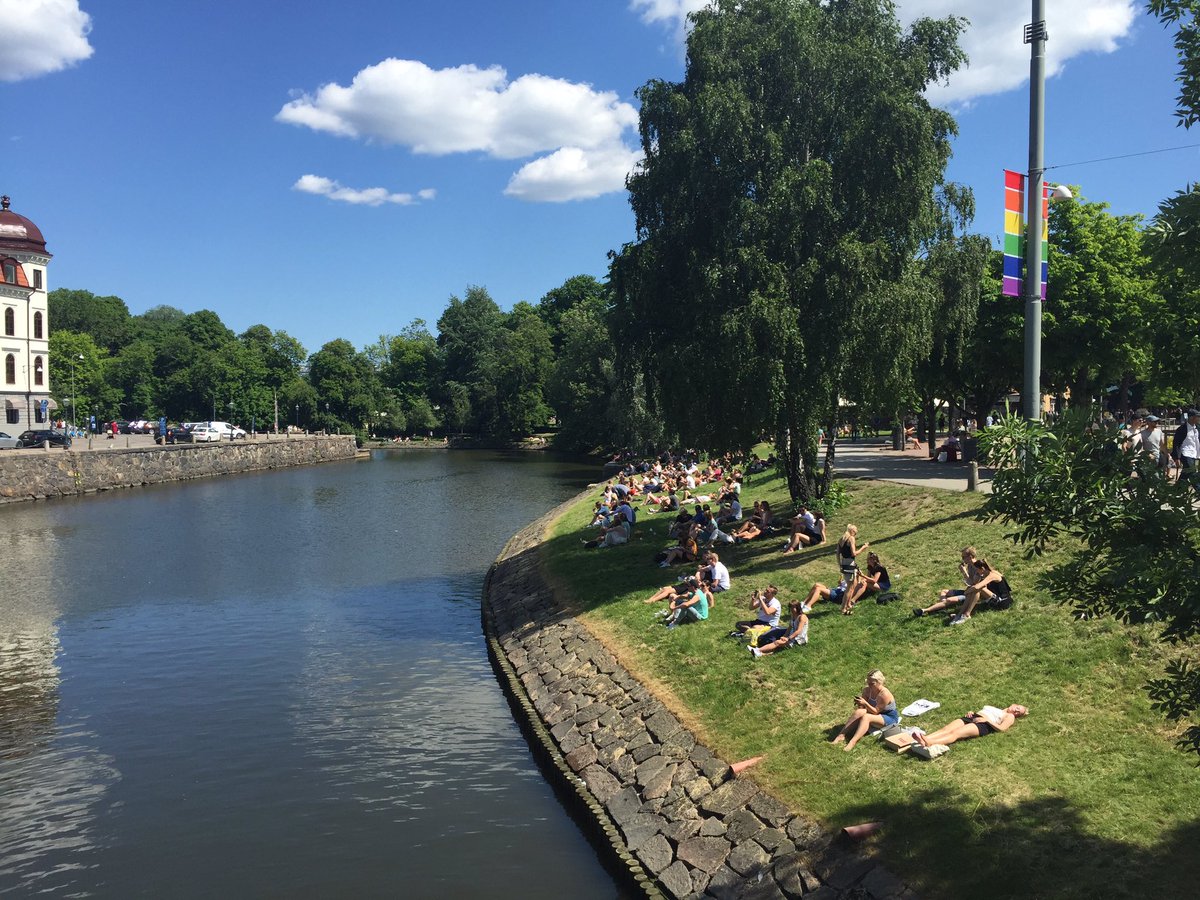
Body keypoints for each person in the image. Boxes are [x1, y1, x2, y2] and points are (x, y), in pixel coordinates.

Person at [831, 670, 898, 751]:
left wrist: (865, 703)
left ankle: (852, 741)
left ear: (879, 682)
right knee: (859, 712)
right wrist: (860, 704)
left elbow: (876, 711)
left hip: (888, 717)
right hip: (875, 713)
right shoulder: (867, 690)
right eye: (868, 682)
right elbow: (862, 708)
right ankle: (841, 735)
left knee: (866, 717)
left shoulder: (884, 694)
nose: (869, 685)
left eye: (872, 683)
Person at [913, 705, 1029, 748]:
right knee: (946, 729)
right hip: (973, 716)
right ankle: (924, 738)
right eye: (1018, 708)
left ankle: (930, 742)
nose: (1016, 711)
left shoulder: (1010, 716)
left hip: (984, 725)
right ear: (1014, 704)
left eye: (1019, 713)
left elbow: (1002, 729)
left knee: (955, 733)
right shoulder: (998, 709)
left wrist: (987, 721)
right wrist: (972, 713)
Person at [913, 547, 980, 617]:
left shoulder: (978, 567)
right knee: (944, 591)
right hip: (968, 590)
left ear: (970, 557)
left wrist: (964, 572)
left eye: (963, 557)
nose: (962, 559)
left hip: (972, 594)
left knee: (949, 600)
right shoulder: (970, 566)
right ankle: (941, 607)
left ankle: (924, 610)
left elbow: (973, 584)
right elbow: (969, 581)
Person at [1173, 409, 1200, 493]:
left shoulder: (1197, 428)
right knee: (1191, 471)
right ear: (1191, 417)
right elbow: (1176, 443)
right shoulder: (1182, 429)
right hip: (1185, 453)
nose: (1199, 418)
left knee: (1186, 472)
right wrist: (1177, 458)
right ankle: (1198, 490)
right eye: (1197, 416)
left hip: (1195, 454)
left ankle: (1177, 489)